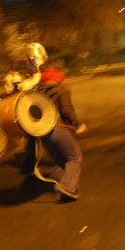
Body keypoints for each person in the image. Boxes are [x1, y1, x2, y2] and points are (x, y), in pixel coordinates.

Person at [34, 60, 87, 203]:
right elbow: (67, 110)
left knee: (59, 160)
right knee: (75, 158)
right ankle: (67, 188)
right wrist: (78, 124)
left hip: (44, 132)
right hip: (59, 129)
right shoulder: (61, 90)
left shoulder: (38, 92)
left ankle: (60, 189)